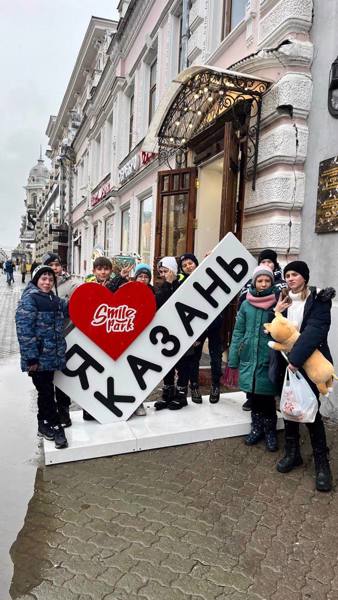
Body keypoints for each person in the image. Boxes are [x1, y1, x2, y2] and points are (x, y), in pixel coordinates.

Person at [273, 260, 334, 492]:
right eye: (287, 275)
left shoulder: (319, 301)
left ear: (304, 278)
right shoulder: (284, 301)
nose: (290, 278)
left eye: (295, 274)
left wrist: (296, 361)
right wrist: (276, 313)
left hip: (307, 365)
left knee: (311, 412)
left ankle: (322, 464)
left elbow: (315, 332)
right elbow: (277, 331)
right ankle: (292, 453)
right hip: (285, 364)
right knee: (289, 408)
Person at [15, 265, 69, 449]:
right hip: (38, 359)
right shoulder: (30, 299)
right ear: (36, 279)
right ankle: (55, 427)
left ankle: (42, 424)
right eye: (43, 279)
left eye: (50, 280)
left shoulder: (54, 300)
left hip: (51, 357)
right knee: (46, 392)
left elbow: (73, 307)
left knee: (44, 393)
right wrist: (31, 359)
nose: (47, 283)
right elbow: (24, 330)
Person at [227, 265, 280, 452]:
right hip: (249, 355)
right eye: (260, 280)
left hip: (269, 356)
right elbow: (238, 331)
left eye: (267, 280)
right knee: (255, 396)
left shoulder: (277, 302)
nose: (264, 284)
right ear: (254, 282)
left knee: (267, 397)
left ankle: (270, 431)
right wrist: (233, 359)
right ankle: (256, 428)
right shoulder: (246, 304)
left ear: (272, 283)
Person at [238, 249, 287, 411]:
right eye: (263, 262)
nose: (266, 265)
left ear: (275, 264)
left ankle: (270, 400)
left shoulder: (281, 284)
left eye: (270, 262)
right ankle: (251, 398)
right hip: (251, 334)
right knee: (251, 367)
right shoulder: (251, 282)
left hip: (271, 336)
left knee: (269, 370)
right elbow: (242, 306)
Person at [179, 252, 224, 404]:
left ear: (196, 263)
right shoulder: (182, 283)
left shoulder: (207, 275)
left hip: (214, 324)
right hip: (196, 327)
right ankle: (195, 386)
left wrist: (211, 261)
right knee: (194, 357)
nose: (188, 267)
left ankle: (215, 386)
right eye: (184, 266)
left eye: (190, 263)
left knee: (215, 356)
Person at [155, 257, 189, 410]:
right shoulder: (161, 286)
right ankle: (167, 393)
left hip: (183, 330)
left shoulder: (184, 283)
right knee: (167, 364)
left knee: (183, 365)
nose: (163, 274)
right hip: (167, 332)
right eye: (161, 272)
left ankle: (181, 396)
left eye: (166, 271)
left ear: (173, 270)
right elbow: (160, 303)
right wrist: (167, 284)